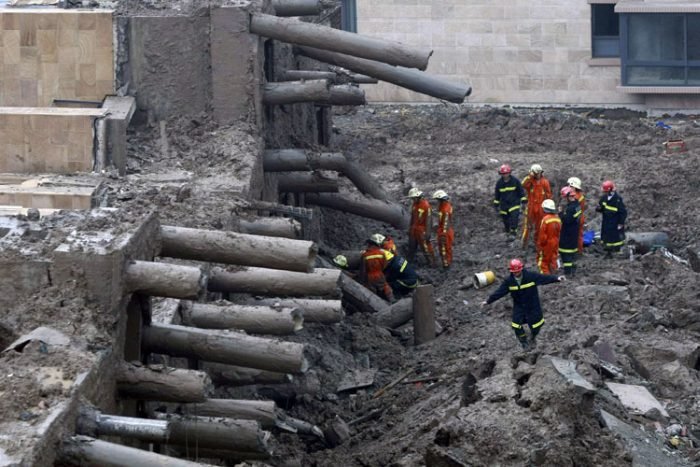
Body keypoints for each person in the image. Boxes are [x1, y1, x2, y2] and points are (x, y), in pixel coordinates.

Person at [481, 258, 564, 350]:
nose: (516, 273)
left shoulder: (530, 276)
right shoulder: (509, 281)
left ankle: (533, 336)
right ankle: (524, 342)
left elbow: (543, 278)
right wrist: (488, 301)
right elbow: (500, 292)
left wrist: (556, 278)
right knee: (516, 325)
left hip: (532, 305)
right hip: (519, 306)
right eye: (514, 272)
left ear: (521, 269)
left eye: (518, 271)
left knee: (536, 324)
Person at [521, 164, 552, 247]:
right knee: (527, 226)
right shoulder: (530, 182)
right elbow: (523, 184)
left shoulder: (545, 182)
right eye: (536, 173)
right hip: (531, 207)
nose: (537, 175)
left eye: (539, 173)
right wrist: (530, 176)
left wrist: (547, 207)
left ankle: (537, 244)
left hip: (541, 208)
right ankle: (524, 244)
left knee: (539, 227)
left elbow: (549, 195)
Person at [596, 180, 627, 257]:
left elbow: (623, 212)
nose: (605, 193)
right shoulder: (604, 198)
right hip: (606, 221)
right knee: (607, 237)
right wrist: (599, 209)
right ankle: (608, 252)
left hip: (615, 222)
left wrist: (621, 223)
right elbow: (601, 207)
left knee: (615, 238)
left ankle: (617, 252)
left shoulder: (617, 199)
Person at [359, 233, 395, 302]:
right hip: (380, 274)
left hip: (370, 276)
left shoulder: (365, 255)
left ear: (370, 243)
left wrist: (362, 281)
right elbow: (385, 265)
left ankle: (375, 303)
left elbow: (363, 270)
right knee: (385, 286)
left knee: (371, 291)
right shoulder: (382, 253)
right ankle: (391, 299)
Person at [493, 164, 526, 236]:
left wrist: (523, 201)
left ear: (509, 173)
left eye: (506, 173)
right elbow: (497, 194)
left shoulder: (515, 181)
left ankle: (513, 232)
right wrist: (496, 204)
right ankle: (507, 231)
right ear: (501, 174)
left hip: (514, 203)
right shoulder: (499, 183)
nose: (505, 175)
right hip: (504, 205)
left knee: (514, 218)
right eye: (503, 173)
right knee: (505, 220)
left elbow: (521, 191)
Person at [407, 188, 436, 266]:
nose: (412, 200)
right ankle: (411, 261)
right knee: (412, 245)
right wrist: (410, 228)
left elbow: (429, 221)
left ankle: (431, 262)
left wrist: (428, 233)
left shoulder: (426, 206)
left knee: (425, 247)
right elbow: (412, 217)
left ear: (418, 196)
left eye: (413, 198)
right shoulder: (414, 205)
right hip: (414, 229)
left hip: (422, 230)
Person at [558, 186, 582, 276]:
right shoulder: (577, 205)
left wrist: (560, 213)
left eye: (565, 197)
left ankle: (568, 272)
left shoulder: (571, 208)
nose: (564, 199)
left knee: (566, 253)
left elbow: (567, 220)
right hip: (574, 232)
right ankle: (573, 269)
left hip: (568, 233)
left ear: (568, 196)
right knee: (572, 253)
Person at [536, 199, 561, 275]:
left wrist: (540, 245)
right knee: (553, 258)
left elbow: (542, 235)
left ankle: (546, 276)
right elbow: (559, 231)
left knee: (543, 261)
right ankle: (554, 273)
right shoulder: (557, 218)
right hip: (556, 241)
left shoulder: (545, 220)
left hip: (547, 243)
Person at [433, 189, 454, 268]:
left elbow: (445, 222)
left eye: (437, 200)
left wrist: (443, 234)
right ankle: (449, 261)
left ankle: (446, 265)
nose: (437, 202)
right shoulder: (446, 205)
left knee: (444, 248)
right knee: (447, 248)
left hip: (445, 231)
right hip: (447, 230)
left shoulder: (445, 210)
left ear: (441, 200)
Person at [568, 177, 586, 254]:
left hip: (576, 219)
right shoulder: (580, 195)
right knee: (579, 235)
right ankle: (579, 250)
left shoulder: (575, 197)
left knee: (577, 235)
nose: (568, 187)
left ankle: (578, 251)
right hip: (579, 217)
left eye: (570, 186)